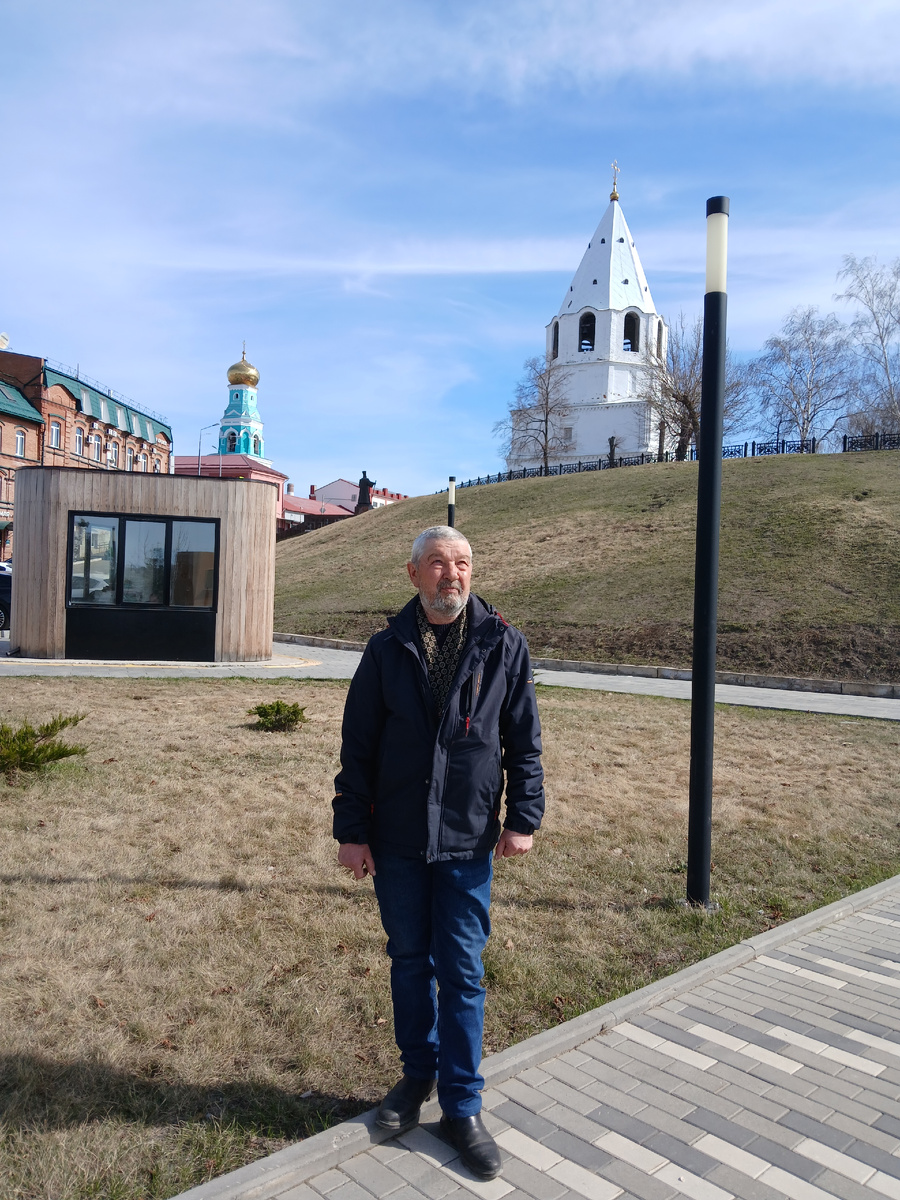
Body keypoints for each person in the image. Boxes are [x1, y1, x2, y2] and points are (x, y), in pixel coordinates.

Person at [333, 525, 544, 1180]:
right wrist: (351, 831)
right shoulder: (385, 650)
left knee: (460, 969)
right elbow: (358, 746)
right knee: (407, 959)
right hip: (395, 837)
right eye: (436, 564)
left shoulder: (503, 644)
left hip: (465, 837)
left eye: (461, 563)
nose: (451, 574)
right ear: (413, 574)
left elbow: (524, 742)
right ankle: (415, 1079)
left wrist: (523, 818)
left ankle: (461, 1104)